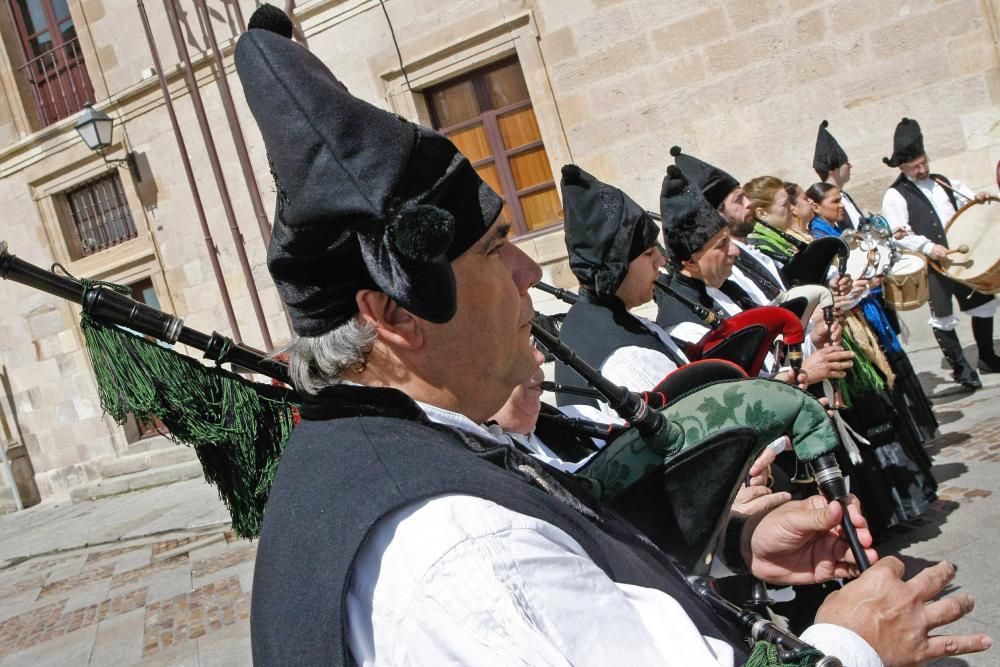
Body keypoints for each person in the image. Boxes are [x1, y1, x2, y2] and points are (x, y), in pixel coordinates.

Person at [235, 8, 991, 665]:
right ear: (394, 315)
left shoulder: (393, 454)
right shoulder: (458, 552)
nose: (530, 271)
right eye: (495, 249)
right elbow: (523, 583)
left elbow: (572, 548)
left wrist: (734, 548)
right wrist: (851, 644)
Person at [808, 183, 940, 531]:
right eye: (832, 201)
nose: (839, 206)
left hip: (858, 321)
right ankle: (893, 510)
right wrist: (849, 294)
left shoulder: (830, 229)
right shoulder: (813, 236)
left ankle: (909, 500)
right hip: (840, 336)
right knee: (873, 417)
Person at [552, 164, 689, 414]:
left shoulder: (604, 318)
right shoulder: (626, 359)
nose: (662, 261)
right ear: (614, 267)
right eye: (648, 253)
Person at [881, 117, 1000, 388]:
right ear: (902, 167)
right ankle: (960, 368)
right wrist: (929, 247)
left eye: (924, 162)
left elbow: (965, 204)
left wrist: (978, 199)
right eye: (915, 166)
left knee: (983, 304)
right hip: (933, 266)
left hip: (961, 260)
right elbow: (899, 234)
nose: (922, 169)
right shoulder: (895, 196)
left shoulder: (943, 182)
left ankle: (987, 356)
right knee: (943, 317)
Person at [669, 146, 784, 304]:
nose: (749, 204)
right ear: (716, 214)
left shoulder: (747, 248)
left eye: (745, 196)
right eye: (738, 200)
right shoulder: (723, 268)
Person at [814, 120, 864, 231]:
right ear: (833, 170)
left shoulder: (844, 197)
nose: (850, 166)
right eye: (846, 162)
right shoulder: (825, 206)